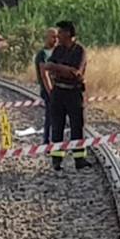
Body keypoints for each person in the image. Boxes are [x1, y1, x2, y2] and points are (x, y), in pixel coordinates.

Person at [40, 20, 90, 171]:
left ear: (68, 33)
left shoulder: (80, 51)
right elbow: (48, 67)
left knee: (77, 126)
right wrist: (64, 70)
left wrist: (58, 68)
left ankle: (79, 160)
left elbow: (76, 73)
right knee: (57, 127)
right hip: (58, 92)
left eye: (60, 32)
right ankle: (57, 160)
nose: (58, 36)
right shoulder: (58, 50)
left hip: (74, 93)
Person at [35, 28, 58, 145]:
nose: (56, 40)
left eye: (57, 37)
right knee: (50, 115)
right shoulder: (43, 54)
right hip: (48, 90)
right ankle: (47, 140)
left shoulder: (57, 51)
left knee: (56, 116)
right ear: (47, 37)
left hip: (57, 88)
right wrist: (50, 92)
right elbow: (45, 75)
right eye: (53, 37)